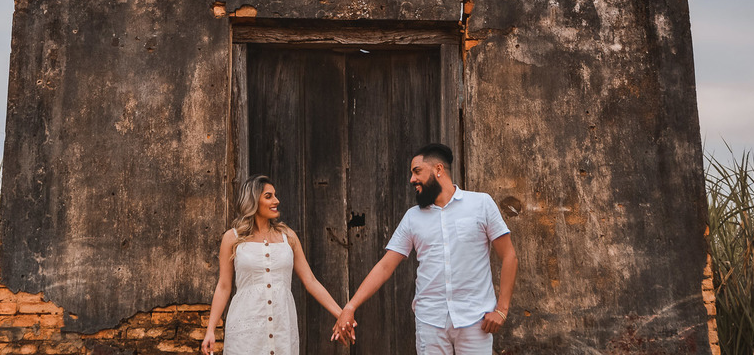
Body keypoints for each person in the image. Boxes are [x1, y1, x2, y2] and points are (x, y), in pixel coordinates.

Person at [331, 143, 518, 354]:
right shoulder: (412, 217)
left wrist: (501, 311)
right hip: (430, 322)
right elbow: (385, 267)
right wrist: (350, 306)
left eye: (417, 171)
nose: (412, 179)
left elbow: (509, 255)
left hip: (476, 320)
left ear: (438, 169)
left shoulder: (481, 204)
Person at [202, 175, 348, 355]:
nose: (276, 201)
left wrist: (341, 314)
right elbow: (224, 286)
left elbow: (311, 280)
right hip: (245, 327)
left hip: (282, 325)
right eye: (269, 196)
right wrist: (210, 330)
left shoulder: (289, 237)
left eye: (275, 195)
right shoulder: (232, 238)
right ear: (254, 200)